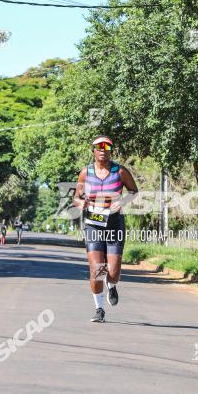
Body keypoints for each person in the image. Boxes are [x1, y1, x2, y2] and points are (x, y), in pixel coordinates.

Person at [74, 136, 138, 323]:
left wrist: (122, 202)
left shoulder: (120, 171)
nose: (103, 149)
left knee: (113, 271)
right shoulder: (86, 173)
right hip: (93, 224)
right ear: (93, 150)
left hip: (114, 223)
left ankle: (112, 285)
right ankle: (99, 309)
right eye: (98, 147)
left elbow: (134, 191)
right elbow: (76, 197)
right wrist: (81, 203)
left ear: (111, 150)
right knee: (97, 268)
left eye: (107, 146)